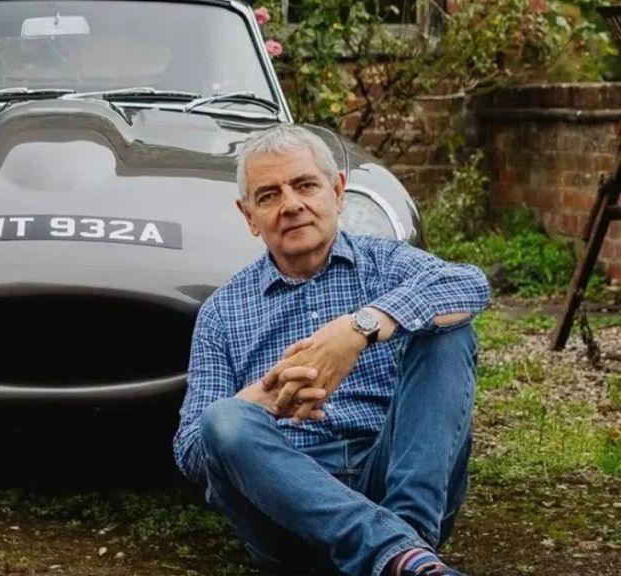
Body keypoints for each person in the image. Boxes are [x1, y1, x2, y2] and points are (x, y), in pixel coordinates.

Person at [173, 124, 490, 576]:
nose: (291, 205)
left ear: (337, 192)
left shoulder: (386, 264)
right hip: (286, 512)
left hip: (389, 474)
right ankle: (402, 553)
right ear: (249, 216)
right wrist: (262, 401)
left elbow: (470, 284)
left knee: (448, 327)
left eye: (305, 185)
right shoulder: (221, 313)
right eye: (269, 195)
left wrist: (360, 328)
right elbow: (191, 451)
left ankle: (406, 551)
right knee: (222, 418)